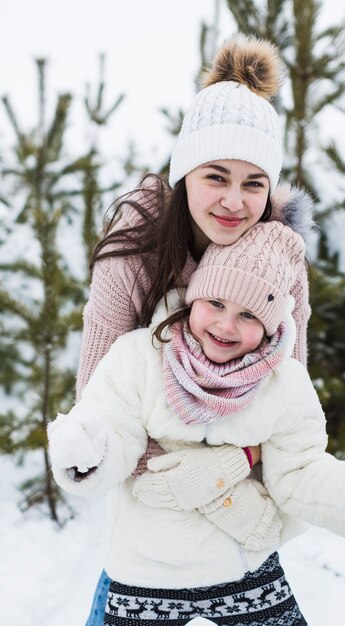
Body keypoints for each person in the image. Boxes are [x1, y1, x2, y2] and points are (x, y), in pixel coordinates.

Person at [48, 219, 345, 625]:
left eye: (249, 314)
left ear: (271, 324)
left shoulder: (283, 384)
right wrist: (88, 450)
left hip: (246, 572)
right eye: (215, 303)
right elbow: (115, 433)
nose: (225, 325)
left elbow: (301, 471)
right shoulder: (139, 358)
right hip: (146, 576)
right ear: (193, 297)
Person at [73, 33, 314, 623]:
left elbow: (292, 395)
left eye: (254, 182)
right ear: (185, 172)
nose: (235, 201)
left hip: (239, 524)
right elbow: (95, 409)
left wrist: (239, 463)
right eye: (216, 175)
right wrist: (184, 472)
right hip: (149, 520)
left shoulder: (279, 253)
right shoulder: (139, 246)